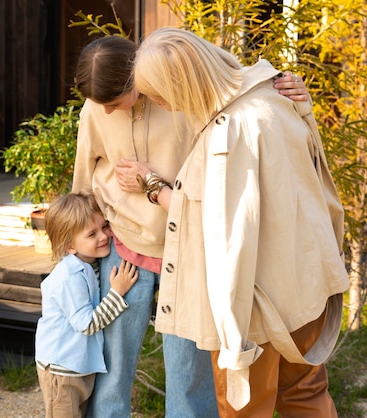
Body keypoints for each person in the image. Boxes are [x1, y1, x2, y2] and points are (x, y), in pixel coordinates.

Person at [71, 35, 311, 417]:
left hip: (186, 250)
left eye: (116, 103)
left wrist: (296, 96)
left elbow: (246, 91)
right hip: (124, 246)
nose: (109, 113)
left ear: (137, 79)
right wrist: (79, 249)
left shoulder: (185, 92)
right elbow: (84, 176)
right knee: (112, 367)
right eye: (103, 107)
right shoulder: (96, 107)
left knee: (188, 374)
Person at [133, 27, 349, 417]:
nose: (161, 105)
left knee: (246, 410)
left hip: (255, 308)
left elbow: (230, 240)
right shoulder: (275, 95)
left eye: (158, 94)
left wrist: (232, 340)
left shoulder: (228, 134)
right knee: (306, 396)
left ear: (178, 85)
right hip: (306, 288)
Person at [35, 191, 139, 418]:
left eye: (104, 227)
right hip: (62, 371)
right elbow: (87, 324)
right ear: (70, 245)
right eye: (92, 234)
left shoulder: (89, 264)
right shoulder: (69, 278)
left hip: (78, 365)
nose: (103, 236)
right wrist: (117, 293)